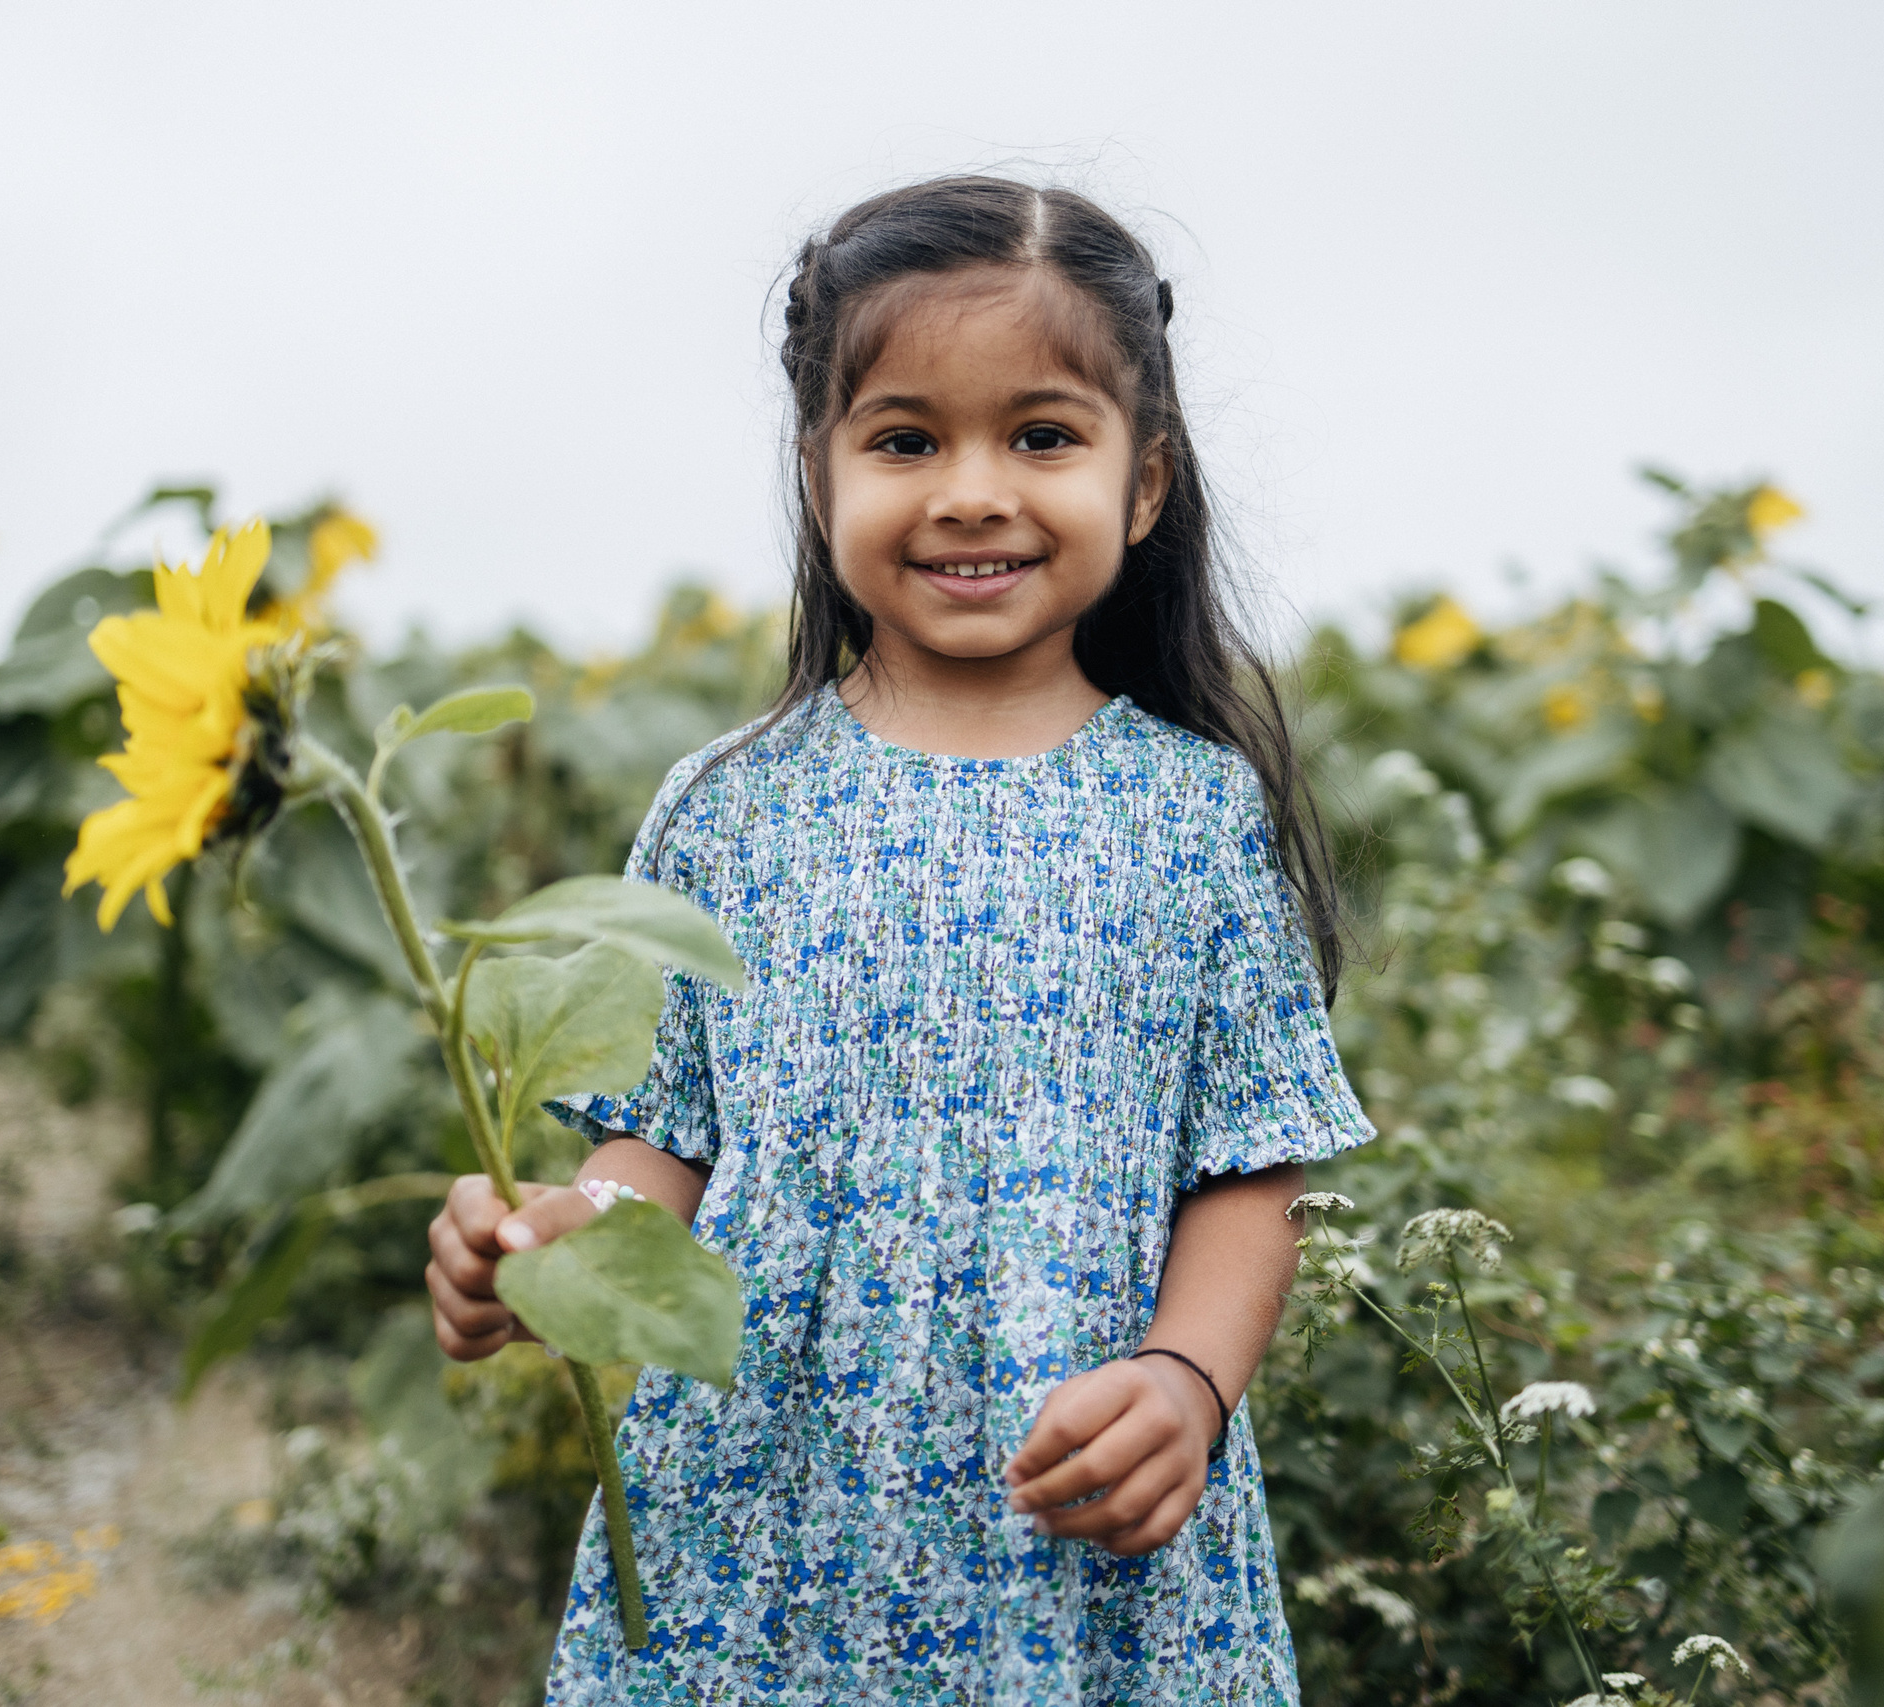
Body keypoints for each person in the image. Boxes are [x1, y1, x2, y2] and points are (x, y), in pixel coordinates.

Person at [425, 174, 1374, 1704]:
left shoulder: (1195, 815)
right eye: (906, 439)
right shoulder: (727, 810)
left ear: (1144, 487)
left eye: (1043, 436)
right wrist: (542, 1242)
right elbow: (661, 1150)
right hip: (764, 1527)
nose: (973, 491)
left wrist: (1186, 1384)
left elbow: (1247, 1172)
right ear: (820, 472)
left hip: (1075, 1544)